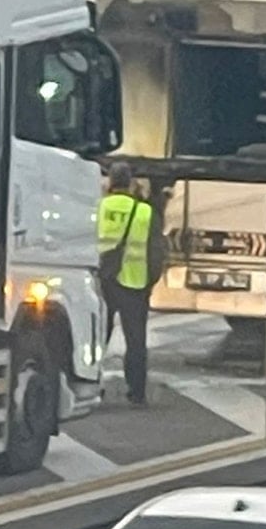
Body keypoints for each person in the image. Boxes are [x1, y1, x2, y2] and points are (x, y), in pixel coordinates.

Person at [97, 162, 155, 406]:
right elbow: (157, 252)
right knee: (136, 341)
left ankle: (92, 385)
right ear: (130, 183)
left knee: (98, 337)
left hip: (103, 281)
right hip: (135, 283)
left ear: (110, 182)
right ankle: (137, 392)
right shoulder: (144, 211)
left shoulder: (98, 207)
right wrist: (151, 280)